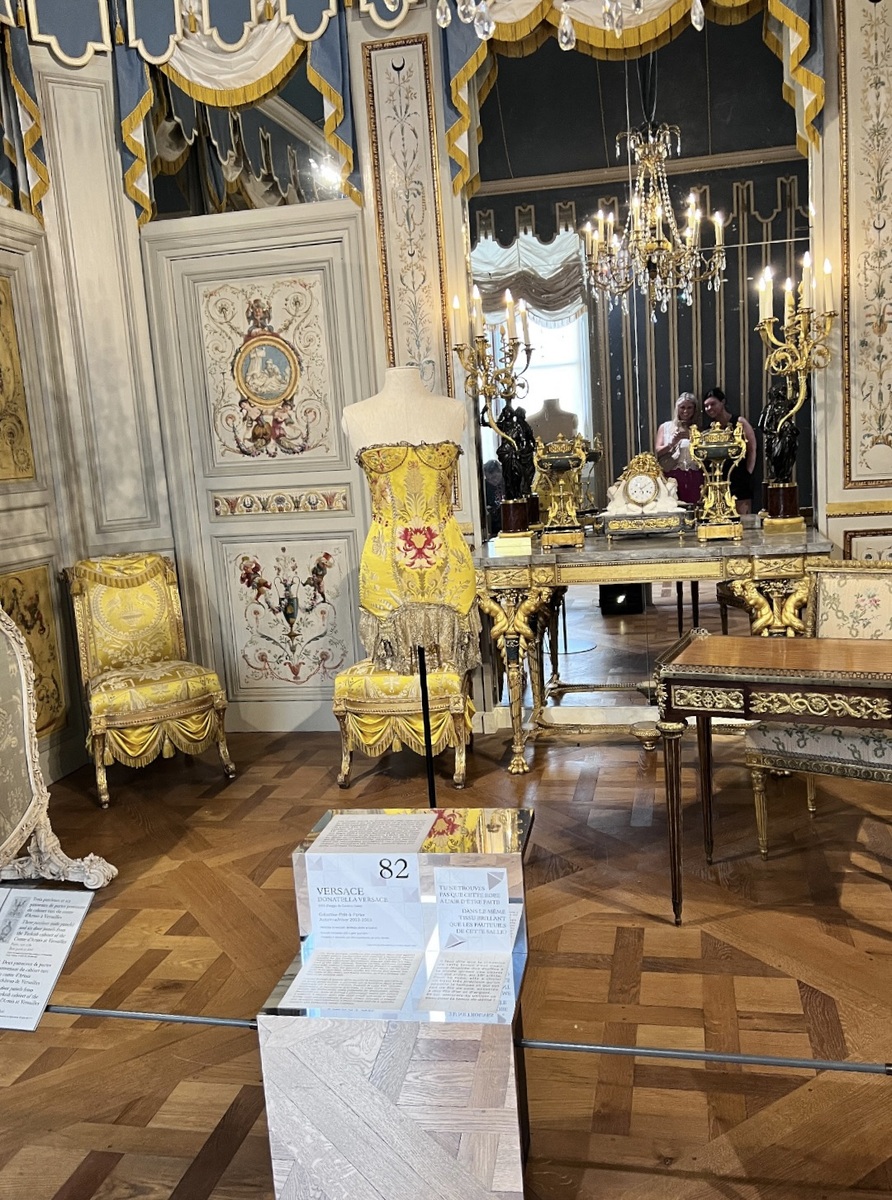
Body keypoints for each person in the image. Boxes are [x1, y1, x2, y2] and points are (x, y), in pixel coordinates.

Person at [703, 386, 758, 515]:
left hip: (739, 475)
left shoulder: (739, 422)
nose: (709, 408)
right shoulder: (709, 430)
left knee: (742, 515)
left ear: (722, 402)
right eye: (706, 406)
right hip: (719, 477)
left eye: (713, 404)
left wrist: (747, 473)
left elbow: (752, 448)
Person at [655, 391, 704, 504]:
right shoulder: (665, 427)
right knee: (672, 508)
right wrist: (672, 443)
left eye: (689, 408)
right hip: (672, 475)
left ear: (694, 409)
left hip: (694, 475)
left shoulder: (698, 430)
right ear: (677, 408)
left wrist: (693, 439)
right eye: (682, 407)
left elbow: (704, 454)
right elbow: (658, 451)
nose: (685, 411)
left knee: (694, 507)